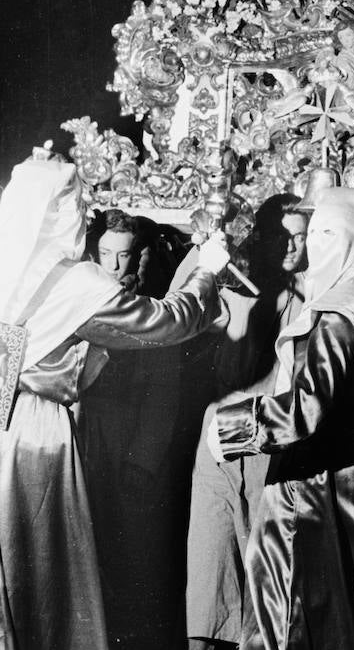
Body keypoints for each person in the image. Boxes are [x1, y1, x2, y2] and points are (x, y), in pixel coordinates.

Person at [0, 153, 229, 650]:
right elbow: (167, 323)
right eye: (76, 205)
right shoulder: (70, 282)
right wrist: (207, 270)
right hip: (37, 438)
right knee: (45, 569)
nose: (83, 217)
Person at [208, 186, 354, 650]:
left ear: (352, 239)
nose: (316, 247)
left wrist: (226, 428)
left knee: (295, 603)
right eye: (318, 233)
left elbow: (302, 412)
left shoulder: (337, 314)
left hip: (327, 481)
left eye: (330, 233)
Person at [184, 193, 311, 650]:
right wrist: (211, 258)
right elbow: (182, 305)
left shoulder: (313, 297)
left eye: (302, 236)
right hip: (218, 441)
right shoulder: (234, 286)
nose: (292, 246)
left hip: (267, 443)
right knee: (210, 572)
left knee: (262, 582)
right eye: (283, 235)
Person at [78, 209, 186, 650]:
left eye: (124, 256)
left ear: (138, 257)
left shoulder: (150, 310)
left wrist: (143, 460)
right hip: (85, 439)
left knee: (132, 560)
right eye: (105, 254)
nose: (114, 266)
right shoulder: (82, 298)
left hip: (130, 445)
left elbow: (164, 395)